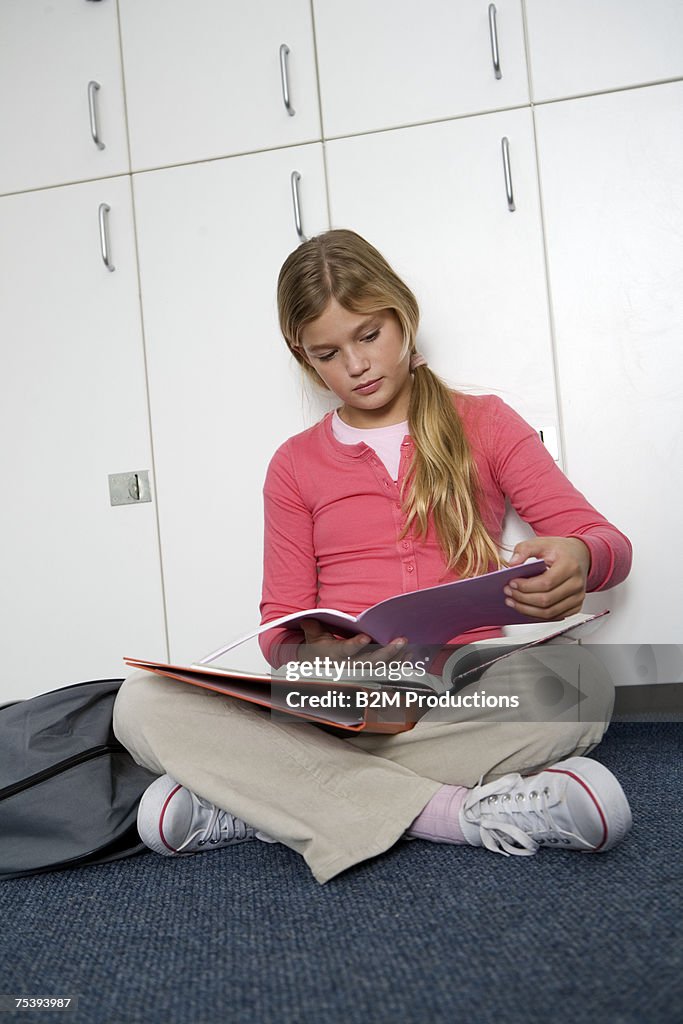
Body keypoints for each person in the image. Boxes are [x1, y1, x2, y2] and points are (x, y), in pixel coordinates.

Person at [114, 229, 633, 884]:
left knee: (580, 687)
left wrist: (582, 559)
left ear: (402, 316)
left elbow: (606, 542)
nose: (356, 365)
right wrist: (312, 656)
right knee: (140, 702)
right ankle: (455, 812)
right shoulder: (294, 464)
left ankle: (262, 801)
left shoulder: (484, 422)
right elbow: (280, 621)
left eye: (369, 336)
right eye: (328, 353)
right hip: (339, 705)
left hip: (461, 692)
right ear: (303, 358)